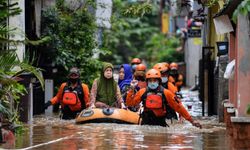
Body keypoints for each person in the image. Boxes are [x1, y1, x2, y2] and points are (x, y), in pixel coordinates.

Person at [126, 69, 201, 128]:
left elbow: (178, 107)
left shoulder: (166, 93)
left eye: (154, 80)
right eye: (150, 80)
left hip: (161, 124)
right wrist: (131, 89)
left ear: (159, 81)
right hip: (146, 123)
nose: (152, 83)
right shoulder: (142, 92)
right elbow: (130, 103)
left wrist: (191, 121)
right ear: (147, 82)